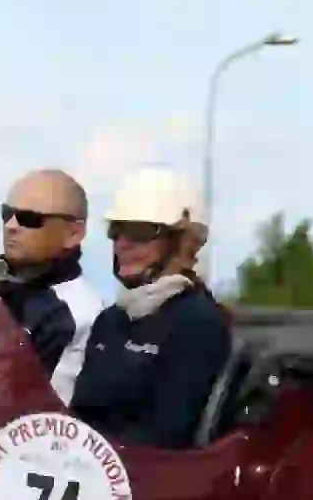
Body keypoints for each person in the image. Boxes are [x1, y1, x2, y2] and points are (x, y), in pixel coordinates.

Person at [68, 165, 233, 448]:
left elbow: (168, 438)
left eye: (140, 232)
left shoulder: (199, 323)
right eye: (116, 230)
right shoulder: (111, 320)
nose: (122, 243)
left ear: (184, 241)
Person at [0, 168, 104, 404]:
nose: (11, 226)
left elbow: (10, 397)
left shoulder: (77, 312)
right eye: (7, 214)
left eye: (30, 218)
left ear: (73, 233)